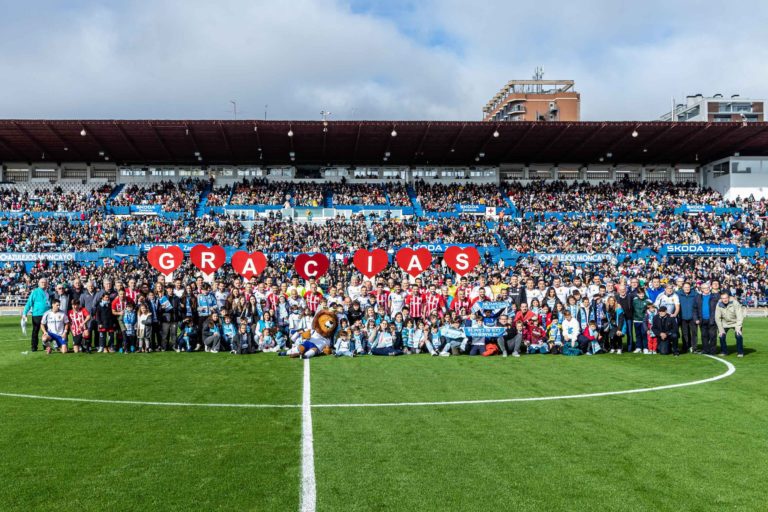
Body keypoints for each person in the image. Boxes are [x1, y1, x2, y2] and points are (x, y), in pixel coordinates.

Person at [22, 277, 51, 352]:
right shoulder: (35, 292)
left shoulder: (49, 292)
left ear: (47, 284)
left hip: (47, 315)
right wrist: (24, 313)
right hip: (37, 315)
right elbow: (29, 303)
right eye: (42, 282)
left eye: (45, 282)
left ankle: (46, 346)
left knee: (46, 331)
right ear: (39, 284)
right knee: (35, 331)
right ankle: (34, 347)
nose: (43, 284)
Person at [715, 292, 745, 357]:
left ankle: (740, 352)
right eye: (723, 298)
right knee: (721, 336)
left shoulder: (735, 303)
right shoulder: (718, 305)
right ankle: (724, 351)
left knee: (738, 335)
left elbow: (740, 316)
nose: (725, 300)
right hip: (724, 323)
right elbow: (717, 318)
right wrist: (721, 330)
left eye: (726, 298)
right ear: (721, 299)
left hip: (735, 322)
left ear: (728, 298)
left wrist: (738, 328)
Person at [694, 283, 719, 356]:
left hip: (712, 319)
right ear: (701, 289)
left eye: (707, 287)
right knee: (704, 336)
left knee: (713, 336)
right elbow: (694, 309)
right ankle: (705, 349)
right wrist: (696, 319)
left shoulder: (715, 296)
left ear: (710, 288)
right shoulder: (697, 297)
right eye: (704, 288)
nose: (706, 289)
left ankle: (713, 351)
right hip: (702, 320)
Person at [677, 282, 698, 353]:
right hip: (683, 317)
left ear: (690, 287)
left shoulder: (695, 294)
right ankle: (685, 346)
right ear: (682, 288)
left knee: (694, 333)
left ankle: (694, 347)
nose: (687, 288)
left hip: (693, 317)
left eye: (688, 287)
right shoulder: (678, 294)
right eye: (685, 287)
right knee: (685, 333)